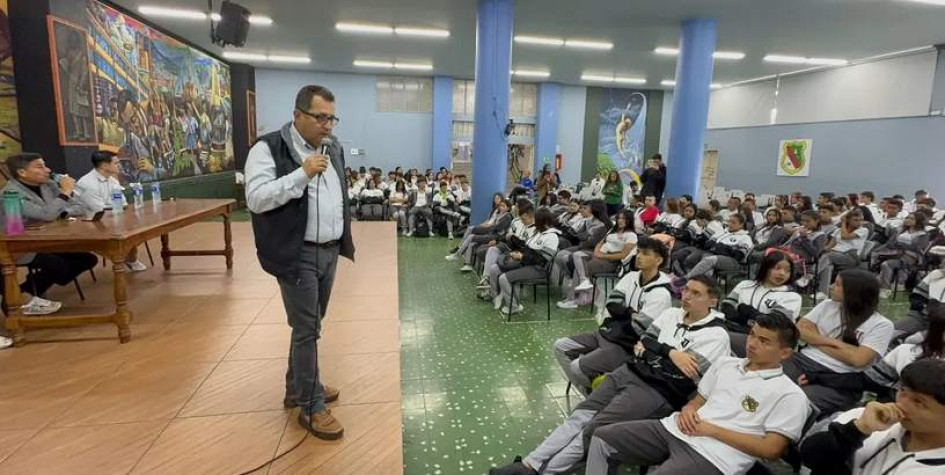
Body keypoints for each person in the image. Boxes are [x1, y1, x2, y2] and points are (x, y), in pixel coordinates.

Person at [489, 277, 730, 475]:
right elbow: (643, 340)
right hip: (629, 371)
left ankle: (543, 472)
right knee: (580, 415)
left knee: (593, 428)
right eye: (686, 290)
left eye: (695, 293)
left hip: (656, 392)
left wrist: (653, 352)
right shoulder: (671, 315)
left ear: (712, 300)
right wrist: (671, 352)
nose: (686, 296)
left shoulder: (716, 336)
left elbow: (678, 374)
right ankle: (529, 464)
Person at [244, 85, 355, 440]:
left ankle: (297, 387)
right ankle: (310, 405)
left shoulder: (332, 147)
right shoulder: (267, 148)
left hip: (329, 250)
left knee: (310, 324)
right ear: (298, 115)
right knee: (308, 329)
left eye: (331, 118)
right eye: (320, 117)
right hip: (297, 251)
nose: (327, 125)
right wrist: (301, 174)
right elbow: (257, 199)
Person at [585, 315, 811, 475]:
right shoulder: (725, 364)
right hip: (676, 429)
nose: (752, 343)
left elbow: (771, 450)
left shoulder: (790, 395)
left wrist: (711, 430)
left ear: (784, 352)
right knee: (601, 437)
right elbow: (698, 401)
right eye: (752, 335)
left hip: (716, 456)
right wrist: (689, 409)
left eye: (764, 341)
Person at [553, 238, 673, 390]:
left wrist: (622, 312)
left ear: (658, 260)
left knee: (577, 367)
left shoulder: (661, 293)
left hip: (627, 344)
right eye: (638, 252)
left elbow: (639, 328)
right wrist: (631, 313)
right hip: (609, 333)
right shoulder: (631, 277)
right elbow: (612, 304)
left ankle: (596, 398)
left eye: (645, 254)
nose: (639, 256)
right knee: (560, 346)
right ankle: (593, 391)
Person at [800, 358, 945, 475]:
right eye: (903, 391)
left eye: (919, 402)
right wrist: (857, 430)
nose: (901, 403)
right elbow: (809, 456)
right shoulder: (866, 417)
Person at [785, 269, 894, 416]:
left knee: (795, 401)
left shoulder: (881, 324)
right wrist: (839, 345)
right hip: (802, 360)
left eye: (837, 284)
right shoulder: (827, 305)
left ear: (853, 292)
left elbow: (858, 359)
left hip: (839, 378)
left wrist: (815, 337)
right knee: (764, 378)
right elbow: (799, 329)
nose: (830, 286)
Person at [1, 153, 98, 315]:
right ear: (22, 172)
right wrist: (64, 193)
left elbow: (80, 207)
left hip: (51, 239)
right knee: (56, 264)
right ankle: (17, 300)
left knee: (87, 258)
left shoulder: (49, 185)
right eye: (40, 167)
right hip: (21, 245)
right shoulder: (11, 193)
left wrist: (62, 212)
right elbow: (45, 215)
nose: (48, 170)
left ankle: (24, 292)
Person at [74, 150, 147, 272]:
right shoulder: (87, 183)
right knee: (124, 230)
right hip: (90, 224)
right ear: (104, 165)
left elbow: (122, 204)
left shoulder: (112, 180)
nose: (119, 166)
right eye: (116, 163)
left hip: (111, 218)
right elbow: (99, 210)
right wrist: (117, 210)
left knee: (135, 227)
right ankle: (121, 259)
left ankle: (130, 258)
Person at [722, 250, 803, 356]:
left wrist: (747, 312)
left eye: (787, 270)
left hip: (764, 340)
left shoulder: (791, 296)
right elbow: (726, 306)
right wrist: (747, 318)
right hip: (732, 328)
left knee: (720, 338)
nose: (782, 273)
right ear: (765, 268)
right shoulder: (745, 285)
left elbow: (773, 324)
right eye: (777, 268)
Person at [495, 208, 561, 315]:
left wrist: (522, 257)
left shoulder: (552, 236)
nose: (534, 221)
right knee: (495, 268)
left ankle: (514, 306)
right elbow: (527, 249)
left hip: (539, 269)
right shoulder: (538, 232)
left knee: (504, 278)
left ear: (542, 221)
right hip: (527, 263)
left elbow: (542, 259)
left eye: (536, 219)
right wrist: (518, 253)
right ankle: (496, 296)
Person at [815, 209, 869, 300]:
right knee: (827, 265)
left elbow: (845, 236)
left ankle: (811, 275)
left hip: (851, 256)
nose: (859, 222)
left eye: (861, 220)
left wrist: (843, 222)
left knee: (828, 257)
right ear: (849, 220)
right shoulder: (838, 230)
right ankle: (823, 292)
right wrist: (821, 250)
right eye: (855, 220)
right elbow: (830, 245)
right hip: (835, 255)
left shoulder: (863, 230)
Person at [874, 212, 930, 298]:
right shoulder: (900, 230)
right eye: (907, 218)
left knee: (886, 264)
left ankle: (885, 289)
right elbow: (890, 243)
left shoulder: (923, 234)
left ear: (918, 221)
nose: (908, 220)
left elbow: (916, 248)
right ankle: (890, 282)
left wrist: (900, 245)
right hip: (896, 253)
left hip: (911, 257)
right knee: (879, 258)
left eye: (911, 218)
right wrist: (904, 247)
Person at [892, 261, 944, 343]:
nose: (942, 264)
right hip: (920, 318)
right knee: (888, 331)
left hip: (940, 328)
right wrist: (924, 310)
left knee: (912, 340)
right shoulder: (935, 275)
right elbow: (916, 297)